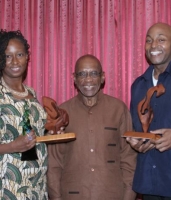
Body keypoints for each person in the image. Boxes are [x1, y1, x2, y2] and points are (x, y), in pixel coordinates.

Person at [47, 54, 137, 200]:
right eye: (82, 74)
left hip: (112, 194)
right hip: (72, 195)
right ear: (74, 78)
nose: (88, 79)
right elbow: (54, 164)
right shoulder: (62, 113)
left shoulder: (118, 109)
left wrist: (128, 196)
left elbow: (129, 159)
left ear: (102, 77)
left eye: (94, 73)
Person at [127, 22, 171, 199]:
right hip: (149, 184)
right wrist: (137, 142)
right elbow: (140, 130)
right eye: (149, 40)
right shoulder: (138, 85)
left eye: (161, 40)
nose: (154, 45)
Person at [0, 30, 48, 199]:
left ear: (27, 57)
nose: (14, 61)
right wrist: (12, 147)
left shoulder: (31, 94)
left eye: (19, 54)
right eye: (7, 56)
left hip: (37, 184)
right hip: (8, 186)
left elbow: (35, 133)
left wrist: (53, 130)